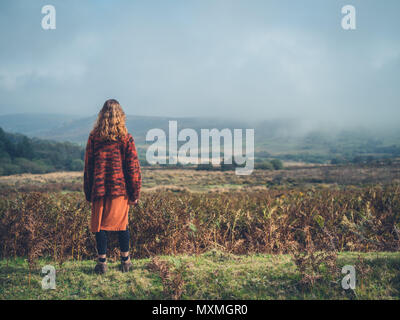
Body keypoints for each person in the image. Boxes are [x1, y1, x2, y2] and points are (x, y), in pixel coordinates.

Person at [84, 99, 141, 274]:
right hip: (119, 191)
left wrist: (88, 192)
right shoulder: (126, 138)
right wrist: (135, 192)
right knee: (122, 225)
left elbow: (88, 167)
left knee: (100, 226)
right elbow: (133, 168)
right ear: (120, 116)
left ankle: (102, 263)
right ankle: (126, 262)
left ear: (102, 116)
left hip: (100, 190)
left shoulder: (94, 137)